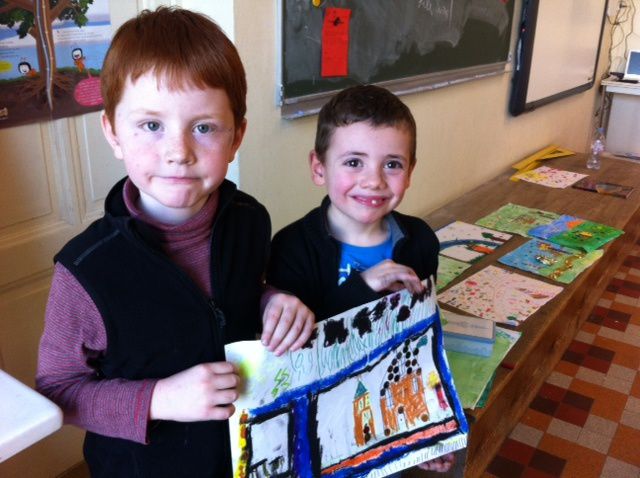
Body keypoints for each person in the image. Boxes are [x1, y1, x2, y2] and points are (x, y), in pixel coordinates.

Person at [36, 7, 313, 478]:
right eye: (151, 125)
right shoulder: (86, 271)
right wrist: (159, 398)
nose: (178, 151)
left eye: (204, 127)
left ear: (236, 136)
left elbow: (241, 292)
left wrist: (274, 302)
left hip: (251, 456)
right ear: (113, 132)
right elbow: (58, 389)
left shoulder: (250, 220)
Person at [267, 84, 455, 474]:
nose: (373, 181)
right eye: (353, 162)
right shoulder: (291, 248)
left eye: (392, 164)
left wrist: (427, 427)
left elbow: (418, 347)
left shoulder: (420, 240)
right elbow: (296, 360)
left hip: (392, 412)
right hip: (324, 429)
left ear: (410, 171)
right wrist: (362, 288)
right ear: (319, 168)